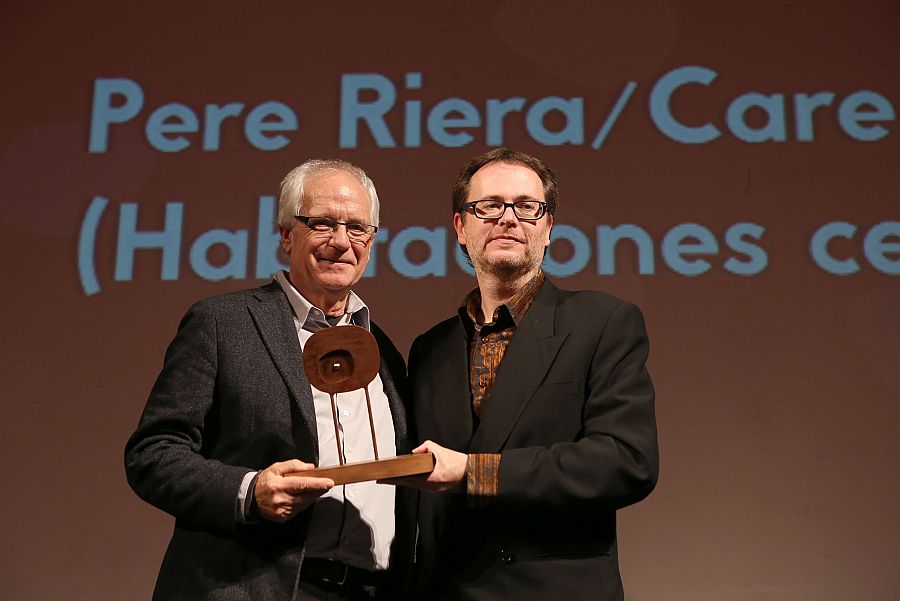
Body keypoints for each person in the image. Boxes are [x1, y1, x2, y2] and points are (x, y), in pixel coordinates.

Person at [124, 159, 415, 601]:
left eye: (357, 228)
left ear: (372, 241)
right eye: (322, 223)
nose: (341, 241)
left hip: (369, 591)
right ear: (285, 234)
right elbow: (153, 453)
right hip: (253, 586)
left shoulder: (385, 352)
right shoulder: (223, 323)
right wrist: (250, 491)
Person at [405, 148, 659, 601]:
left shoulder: (602, 323)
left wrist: (475, 473)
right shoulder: (429, 349)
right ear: (460, 227)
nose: (508, 218)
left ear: (548, 228)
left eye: (527, 206)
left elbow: (626, 461)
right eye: (489, 206)